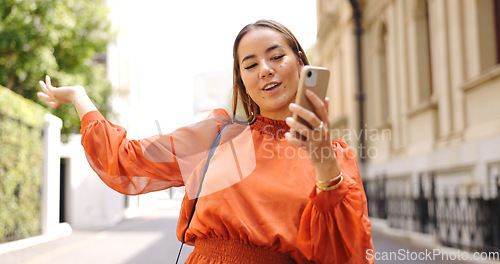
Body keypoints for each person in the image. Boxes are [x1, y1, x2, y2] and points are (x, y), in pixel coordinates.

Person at [38, 19, 374, 264]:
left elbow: (348, 254)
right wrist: (80, 98)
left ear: (301, 62)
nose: (265, 70)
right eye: (250, 64)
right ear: (242, 81)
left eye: (276, 56)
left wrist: (324, 164)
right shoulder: (220, 134)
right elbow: (128, 161)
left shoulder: (335, 156)